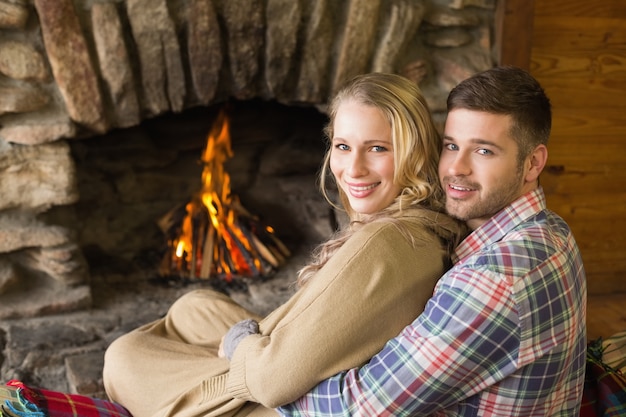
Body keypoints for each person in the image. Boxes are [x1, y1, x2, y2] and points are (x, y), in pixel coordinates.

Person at [102, 73, 466, 417]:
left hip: (279, 404)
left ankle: (211, 371)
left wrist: (238, 347)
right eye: (343, 146)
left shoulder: (385, 242)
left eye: (377, 148)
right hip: (293, 366)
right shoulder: (420, 226)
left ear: (414, 152)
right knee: (192, 306)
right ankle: (228, 356)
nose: (353, 169)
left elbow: (271, 383)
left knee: (124, 355)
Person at [277, 65, 588, 416]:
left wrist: (265, 385)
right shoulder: (552, 230)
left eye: (484, 151)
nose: (457, 168)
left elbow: (356, 409)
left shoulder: (494, 281)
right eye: (452, 146)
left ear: (533, 164)